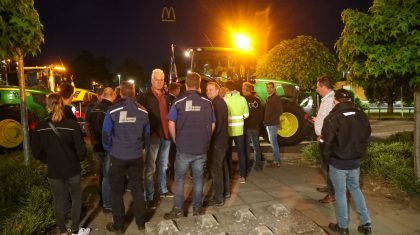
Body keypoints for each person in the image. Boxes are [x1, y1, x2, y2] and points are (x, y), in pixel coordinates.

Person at [31, 93, 90, 235]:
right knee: (76, 199)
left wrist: (48, 160)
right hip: (72, 168)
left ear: (47, 106)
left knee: (58, 200)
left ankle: (63, 231)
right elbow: (82, 150)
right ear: (62, 105)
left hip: (54, 170)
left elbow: (36, 151)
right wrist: (75, 158)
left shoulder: (40, 126)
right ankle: (75, 231)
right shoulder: (72, 125)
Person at [320, 89, 372, 235]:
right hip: (355, 161)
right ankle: (366, 224)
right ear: (349, 100)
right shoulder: (361, 115)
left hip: (338, 162)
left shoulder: (332, 118)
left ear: (335, 100)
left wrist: (326, 160)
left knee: (341, 193)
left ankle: (343, 227)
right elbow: (367, 136)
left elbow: (325, 143)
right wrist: (359, 153)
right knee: (355, 189)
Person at [164, 72, 215, 219]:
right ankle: (197, 210)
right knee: (199, 179)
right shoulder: (207, 103)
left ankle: (178, 209)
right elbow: (213, 123)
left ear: (186, 85)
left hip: (183, 148)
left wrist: (176, 140)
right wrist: (206, 138)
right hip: (201, 148)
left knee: (179, 179)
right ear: (199, 85)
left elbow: (171, 122)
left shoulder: (178, 102)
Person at [102, 81, 150, 233]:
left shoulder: (112, 110)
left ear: (120, 93)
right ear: (134, 92)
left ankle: (118, 226)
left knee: (116, 191)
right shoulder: (143, 111)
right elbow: (147, 135)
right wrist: (140, 148)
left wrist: (110, 149)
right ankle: (141, 222)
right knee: (137, 188)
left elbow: (105, 135)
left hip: (118, 156)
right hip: (136, 156)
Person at [138, 69, 173, 210]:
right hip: (153, 136)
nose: (159, 82)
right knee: (150, 168)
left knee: (164, 165)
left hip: (166, 135)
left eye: (161, 79)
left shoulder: (168, 97)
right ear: (152, 80)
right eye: (157, 80)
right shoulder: (144, 97)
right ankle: (149, 196)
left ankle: (163, 189)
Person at [86, 87, 116, 213]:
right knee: (107, 175)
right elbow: (110, 130)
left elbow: (87, 125)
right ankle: (107, 204)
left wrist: (92, 140)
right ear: (113, 95)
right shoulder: (111, 110)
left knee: (102, 173)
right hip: (106, 147)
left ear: (103, 95)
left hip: (96, 146)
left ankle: (103, 199)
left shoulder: (94, 109)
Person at [205, 82, 230, 206]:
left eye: (211, 90)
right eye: (207, 90)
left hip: (218, 142)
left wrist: (210, 140)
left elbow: (217, 125)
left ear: (217, 91)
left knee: (216, 169)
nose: (208, 92)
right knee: (222, 167)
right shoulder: (220, 102)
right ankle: (226, 192)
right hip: (223, 141)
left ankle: (218, 198)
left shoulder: (216, 104)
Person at [314, 75, 336, 203]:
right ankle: (330, 187)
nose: (317, 89)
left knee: (328, 166)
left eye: (318, 86)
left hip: (326, 138)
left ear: (323, 86)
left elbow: (331, 122)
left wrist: (322, 135)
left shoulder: (331, 100)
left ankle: (332, 194)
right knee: (325, 165)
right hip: (323, 136)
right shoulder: (326, 99)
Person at [224, 81, 249, 183]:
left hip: (228, 130)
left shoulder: (225, 99)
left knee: (228, 153)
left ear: (227, 89)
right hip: (239, 130)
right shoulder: (242, 99)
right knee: (241, 153)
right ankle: (242, 176)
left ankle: (229, 174)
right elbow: (246, 115)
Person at [242, 82, 264, 171]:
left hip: (247, 127)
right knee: (256, 146)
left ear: (245, 89)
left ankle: (247, 166)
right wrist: (259, 123)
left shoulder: (243, 100)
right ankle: (258, 165)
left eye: (242, 88)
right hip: (256, 127)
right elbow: (261, 113)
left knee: (246, 147)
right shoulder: (257, 100)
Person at [263, 82, 283, 167]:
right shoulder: (269, 98)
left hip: (273, 124)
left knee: (274, 142)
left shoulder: (276, 98)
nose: (269, 89)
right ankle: (276, 160)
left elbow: (280, 111)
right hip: (269, 124)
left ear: (274, 89)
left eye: (271, 87)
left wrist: (270, 120)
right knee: (272, 142)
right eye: (268, 87)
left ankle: (276, 161)